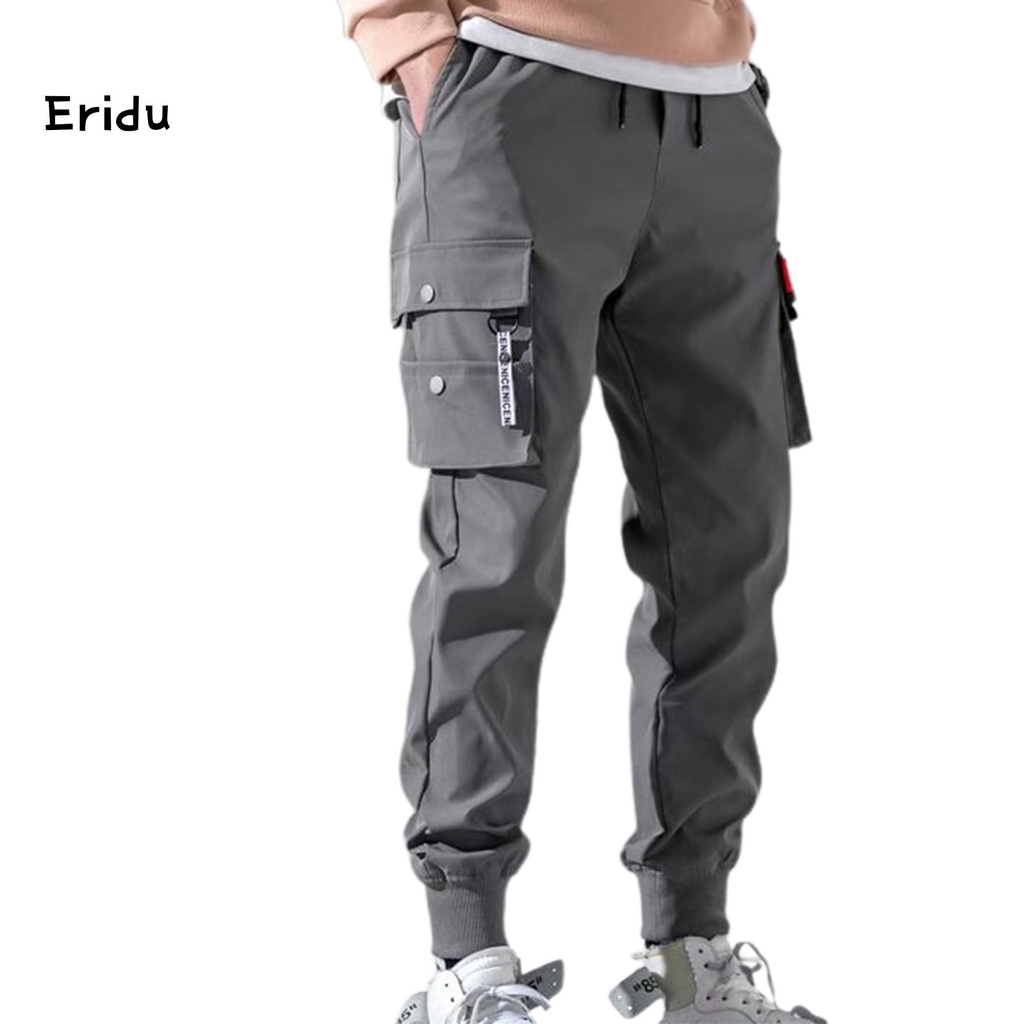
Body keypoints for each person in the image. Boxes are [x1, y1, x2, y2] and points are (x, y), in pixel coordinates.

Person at [337, 3, 821, 1022]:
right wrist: (409, 38)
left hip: (714, 122)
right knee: (496, 552)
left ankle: (692, 956)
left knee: (727, 556)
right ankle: (467, 962)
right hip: (510, 94)